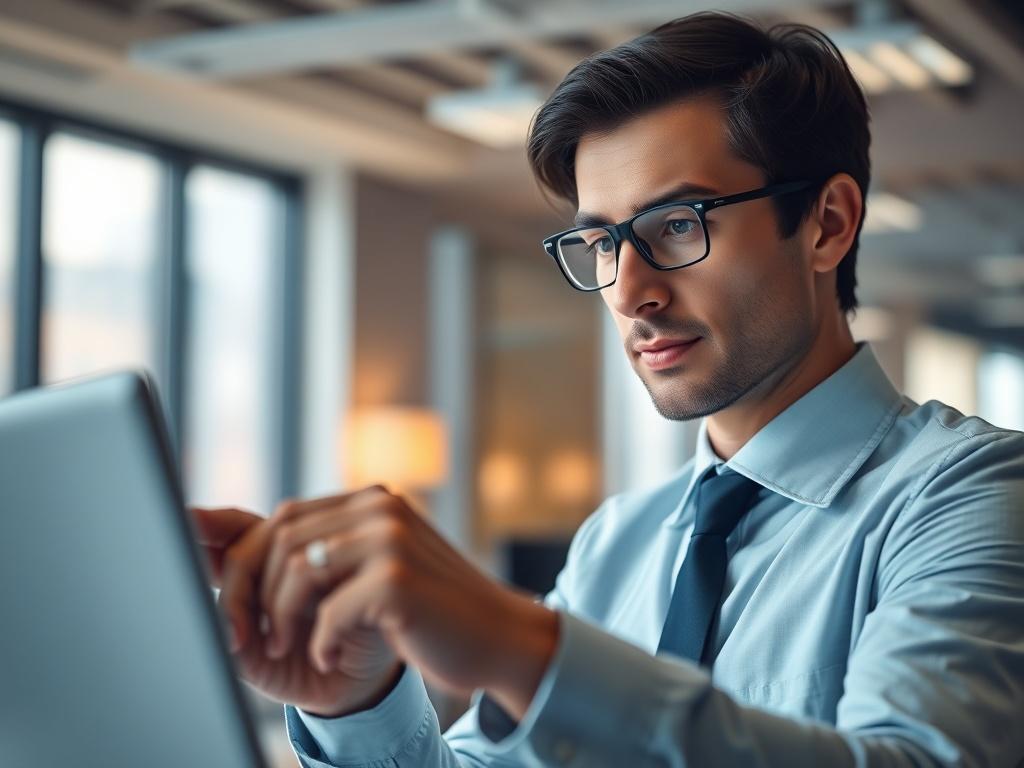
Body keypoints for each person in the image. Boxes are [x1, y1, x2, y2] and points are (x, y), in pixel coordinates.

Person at [194, 12, 1024, 767]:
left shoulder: (972, 495)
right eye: (601, 242)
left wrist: (518, 644)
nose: (628, 291)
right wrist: (358, 700)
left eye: (678, 225)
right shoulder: (616, 543)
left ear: (827, 224)